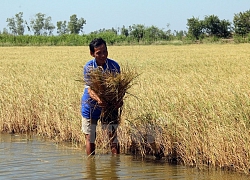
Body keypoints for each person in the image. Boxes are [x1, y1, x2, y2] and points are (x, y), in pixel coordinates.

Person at [81, 38, 122, 155]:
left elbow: (119, 88)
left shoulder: (114, 66)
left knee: (113, 136)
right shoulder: (89, 68)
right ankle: (91, 167)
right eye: (99, 53)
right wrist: (99, 100)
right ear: (92, 53)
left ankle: (115, 167)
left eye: (105, 51)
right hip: (91, 105)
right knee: (91, 137)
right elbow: (90, 90)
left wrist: (119, 100)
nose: (103, 55)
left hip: (109, 105)